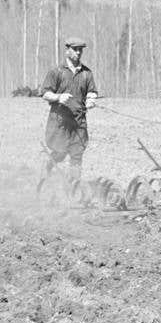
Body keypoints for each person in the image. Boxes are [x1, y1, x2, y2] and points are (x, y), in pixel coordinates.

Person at [37, 36, 99, 200]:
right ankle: (46, 172)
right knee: (60, 152)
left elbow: (92, 92)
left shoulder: (86, 73)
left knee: (77, 155)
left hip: (79, 122)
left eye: (81, 50)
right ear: (67, 51)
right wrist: (58, 97)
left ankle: (74, 189)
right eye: (75, 49)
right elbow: (45, 93)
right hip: (60, 122)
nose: (78, 52)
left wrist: (91, 100)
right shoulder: (56, 71)